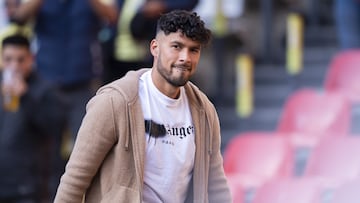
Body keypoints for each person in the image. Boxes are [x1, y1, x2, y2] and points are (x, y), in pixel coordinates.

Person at [54, 10, 232, 202]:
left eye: (193, 49)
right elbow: (75, 179)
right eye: (176, 46)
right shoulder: (115, 102)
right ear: (155, 48)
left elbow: (215, 183)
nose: (185, 57)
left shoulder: (203, 110)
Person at [0, 35, 66, 202]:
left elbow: (54, 128)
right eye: (8, 59)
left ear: (30, 59)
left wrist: (26, 97)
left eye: (20, 60)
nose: (14, 66)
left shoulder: (45, 89)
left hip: (28, 186)